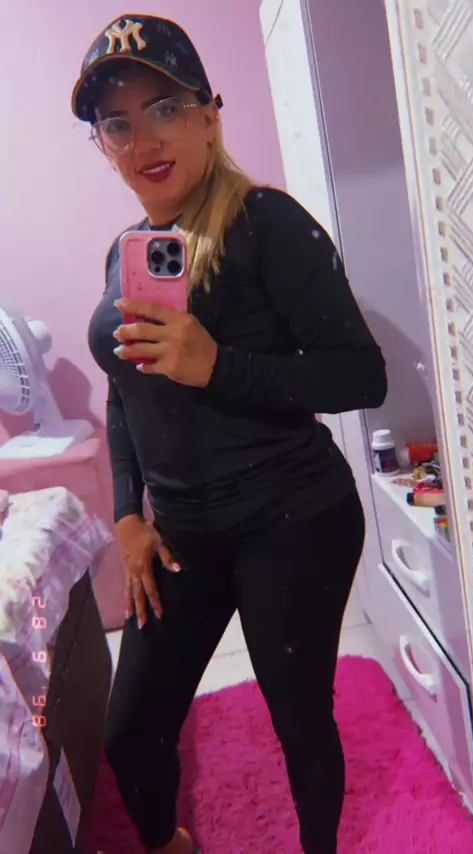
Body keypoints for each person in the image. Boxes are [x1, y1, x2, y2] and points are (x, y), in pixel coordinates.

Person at [72, 13, 387, 854]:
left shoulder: (268, 224)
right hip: (183, 533)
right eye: (117, 123)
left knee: (299, 716)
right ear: (104, 147)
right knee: (130, 733)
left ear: (210, 116)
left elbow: (361, 376)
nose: (145, 139)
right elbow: (122, 393)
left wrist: (217, 365)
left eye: (165, 108)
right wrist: (129, 515)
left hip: (293, 517)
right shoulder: (127, 252)